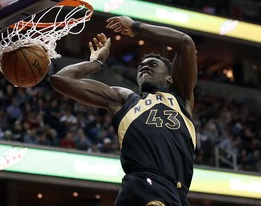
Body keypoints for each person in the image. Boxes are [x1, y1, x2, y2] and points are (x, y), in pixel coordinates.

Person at [50, 16, 197, 206]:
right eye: (141, 67)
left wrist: (136, 26)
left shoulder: (180, 99)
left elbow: (185, 42)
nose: (144, 67)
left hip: (179, 196)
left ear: (170, 78)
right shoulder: (124, 99)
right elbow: (60, 80)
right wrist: (96, 63)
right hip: (146, 186)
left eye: (152, 65)